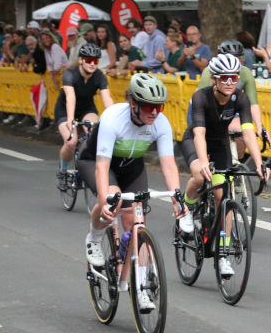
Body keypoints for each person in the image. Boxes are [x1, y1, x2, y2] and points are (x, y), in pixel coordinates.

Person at [80, 74, 184, 308]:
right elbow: (102, 166)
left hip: (131, 167)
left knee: (137, 224)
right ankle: (94, 238)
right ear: (133, 103)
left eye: (159, 106)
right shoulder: (112, 119)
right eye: (148, 106)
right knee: (113, 201)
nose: (155, 112)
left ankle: (141, 287)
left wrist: (177, 197)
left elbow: (168, 164)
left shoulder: (161, 123)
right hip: (96, 161)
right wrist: (104, 202)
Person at [177, 54, 270, 277]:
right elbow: (199, 134)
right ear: (214, 79)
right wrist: (203, 162)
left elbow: (248, 132)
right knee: (200, 176)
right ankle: (186, 207)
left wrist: (259, 163)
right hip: (195, 140)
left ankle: (223, 255)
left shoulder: (240, 99)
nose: (229, 82)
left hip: (220, 145)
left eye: (234, 78)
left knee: (223, 197)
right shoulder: (201, 97)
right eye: (224, 78)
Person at [55, 44, 114, 190]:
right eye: (88, 60)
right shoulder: (70, 73)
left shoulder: (99, 76)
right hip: (65, 109)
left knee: (93, 135)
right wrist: (70, 119)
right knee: (71, 142)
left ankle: (88, 167)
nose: (92, 63)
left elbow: (107, 99)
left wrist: (115, 118)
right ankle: (63, 171)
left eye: (95, 60)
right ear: (81, 60)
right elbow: (70, 97)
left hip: (87, 109)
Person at [193, 39, 264, 156]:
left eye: (238, 58)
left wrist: (259, 126)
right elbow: (202, 104)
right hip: (207, 112)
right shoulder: (209, 72)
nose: (234, 61)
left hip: (228, 110)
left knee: (241, 133)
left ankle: (235, 160)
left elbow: (253, 104)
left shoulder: (245, 73)